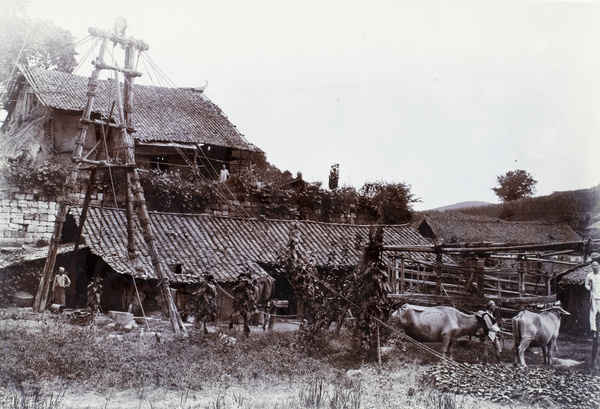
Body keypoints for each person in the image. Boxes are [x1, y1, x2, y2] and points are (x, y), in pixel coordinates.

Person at [585, 261, 600, 337]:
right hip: (593, 297)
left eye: (596, 265)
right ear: (591, 267)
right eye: (593, 266)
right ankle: (593, 330)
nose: (595, 267)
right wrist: (589, 288)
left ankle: (599, 331)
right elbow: (586, 284)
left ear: (598, 266)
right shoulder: (589, 275)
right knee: (592, 314)